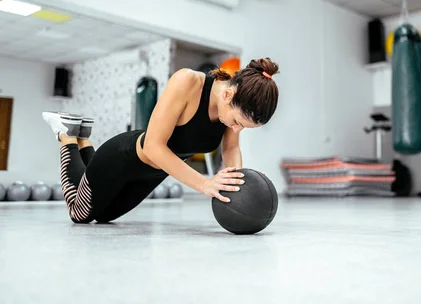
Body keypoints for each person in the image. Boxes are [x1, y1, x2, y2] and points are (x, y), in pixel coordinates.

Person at [42, 58, 279, 224]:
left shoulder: (230, 112)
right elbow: (153, 146)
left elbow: (231, 148)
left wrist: (240, 183)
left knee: (104, 217)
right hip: (123, 158)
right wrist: (204, 184)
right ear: (228, 95)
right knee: (80, 213)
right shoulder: (187, 82)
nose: (237, 129)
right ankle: (66, 135)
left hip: (153, 174)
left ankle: (84, 138)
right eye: (238, 122)